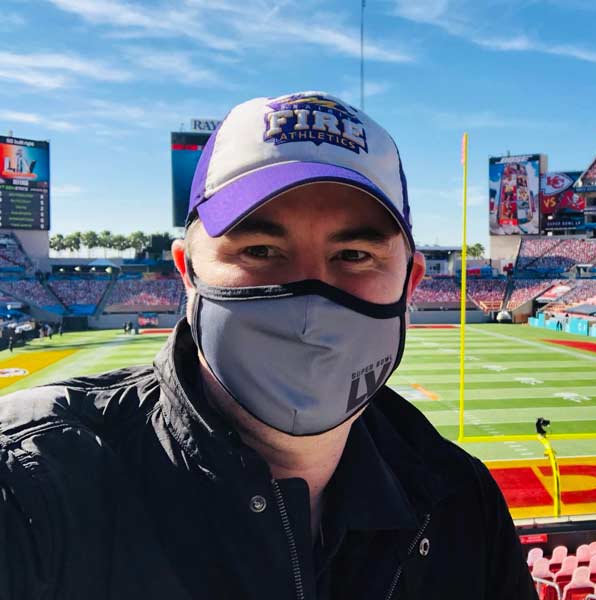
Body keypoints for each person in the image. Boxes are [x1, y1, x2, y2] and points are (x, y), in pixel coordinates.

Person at [0, 91, 535, 599]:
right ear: (187, 272)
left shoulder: (462, 505)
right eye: (259, 248)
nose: (309, 299)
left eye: (353, 255)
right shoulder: (32, 489)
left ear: (410, 286)